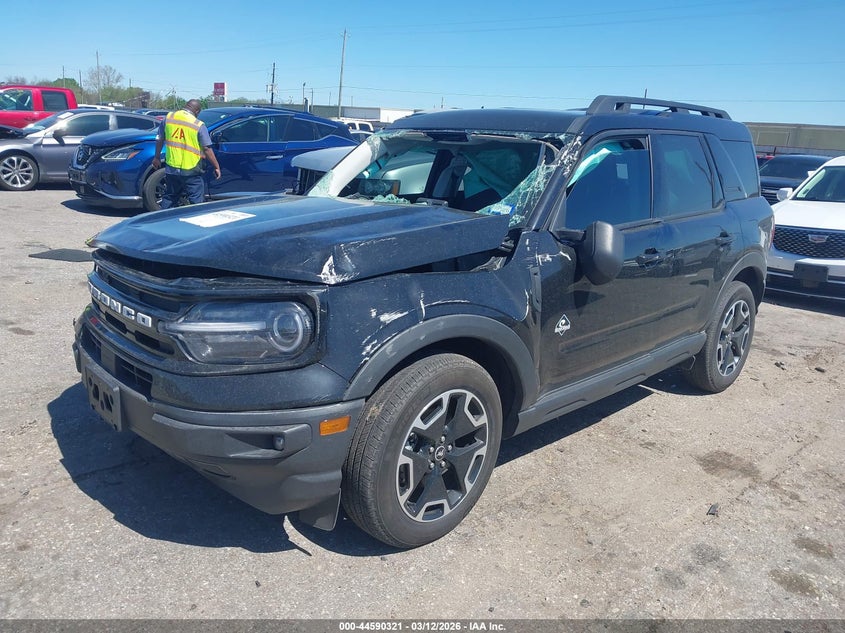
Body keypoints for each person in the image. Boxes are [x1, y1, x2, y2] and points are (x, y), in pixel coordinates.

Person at [152, 99, 221, 209]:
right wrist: (216, 166)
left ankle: (162, 221)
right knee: (196, 200)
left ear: (186, 106)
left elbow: (159, 139)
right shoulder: (198, 125)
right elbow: (207, 148)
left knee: (170, 197)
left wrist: (156, 157)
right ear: (197, 111)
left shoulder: (169, 118)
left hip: (172, 167)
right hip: (191, 169)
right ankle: (195, 222)